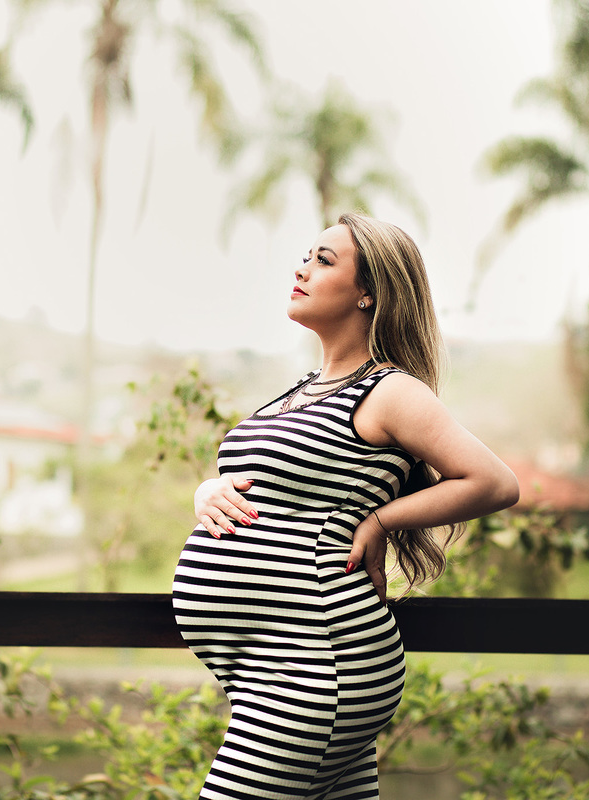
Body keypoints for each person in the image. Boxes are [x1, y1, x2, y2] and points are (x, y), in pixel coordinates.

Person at [172, 212, 520, 800]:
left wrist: (382, 519)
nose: (302, 268)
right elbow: (267, 482)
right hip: (269, 670)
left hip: (317, 665)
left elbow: (493, 482)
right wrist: (207, 492)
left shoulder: (389, 391)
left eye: (324, 260)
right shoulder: (303, 389)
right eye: (307, 255)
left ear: (369, 293)